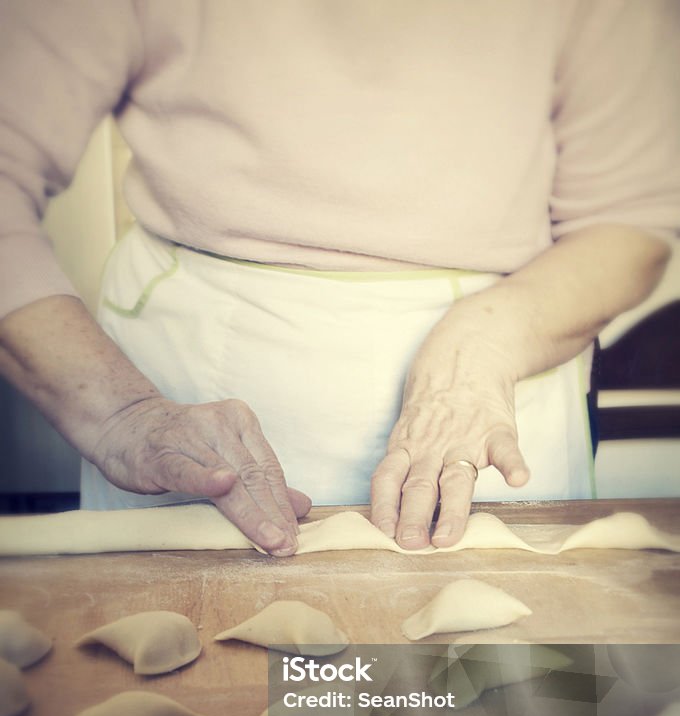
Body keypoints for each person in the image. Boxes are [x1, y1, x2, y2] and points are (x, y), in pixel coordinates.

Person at [0, 0, 678, 556]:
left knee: (504, 696)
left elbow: (630, 220)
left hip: (500, 393)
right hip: (196, 377)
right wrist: (122, 414)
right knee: (208, 692)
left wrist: (485, 346)